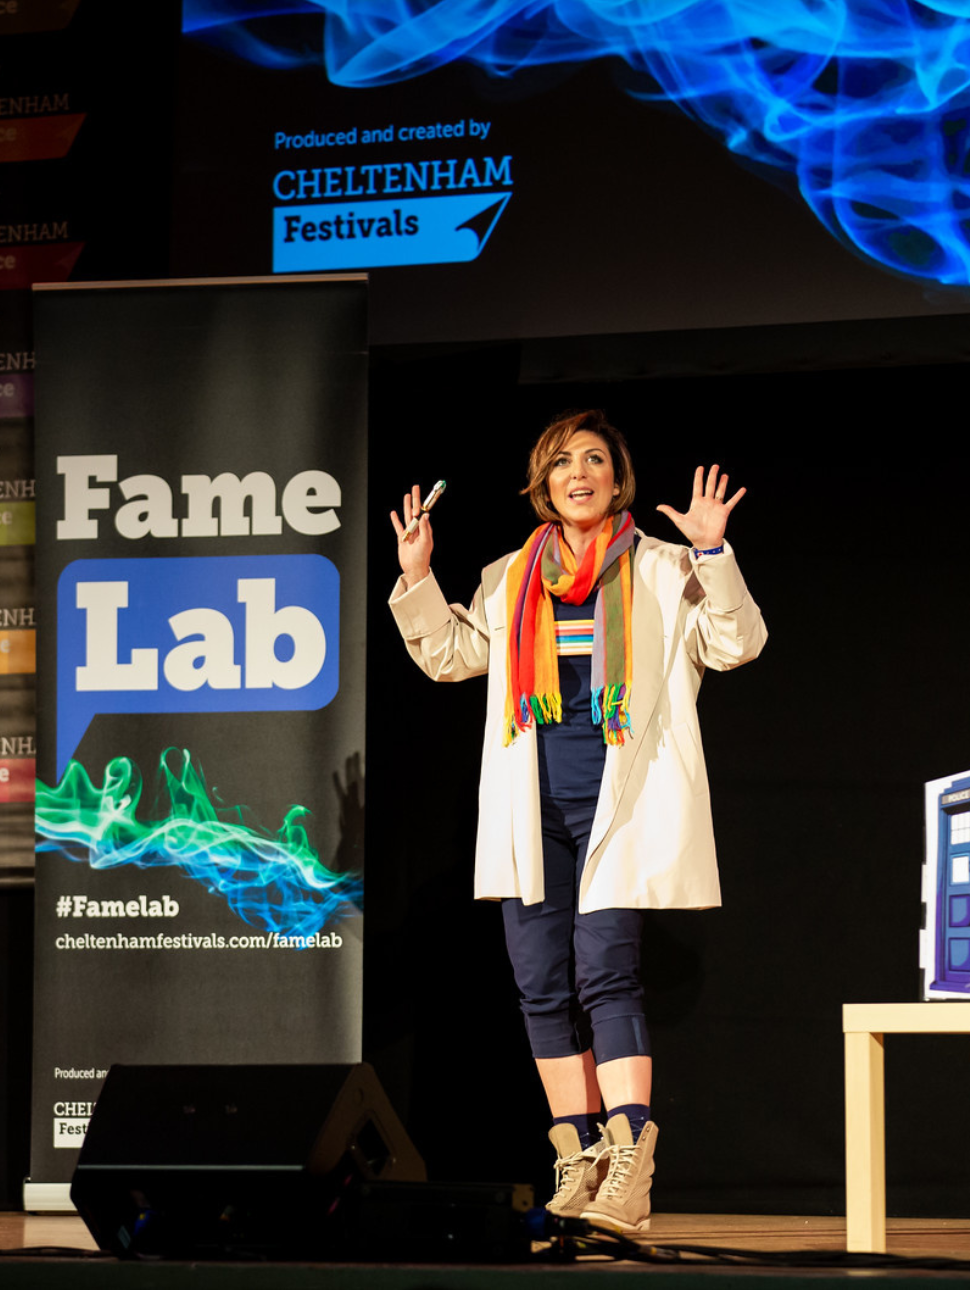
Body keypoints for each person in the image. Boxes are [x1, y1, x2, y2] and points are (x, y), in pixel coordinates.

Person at [389, 410, 766, 1234]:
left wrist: (713, 553)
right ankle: (581, 1154)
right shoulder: (507, 577)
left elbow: (738, 643)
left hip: (619, 809)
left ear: (617, 477)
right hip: (535, 811)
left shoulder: (667, 568)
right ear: (543, 484)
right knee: (540, 984)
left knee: (606, 971)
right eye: (562, 462)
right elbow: (449, 658)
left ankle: (631, 1160)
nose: (580, 472)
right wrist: (418, 577)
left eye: (595, 458)